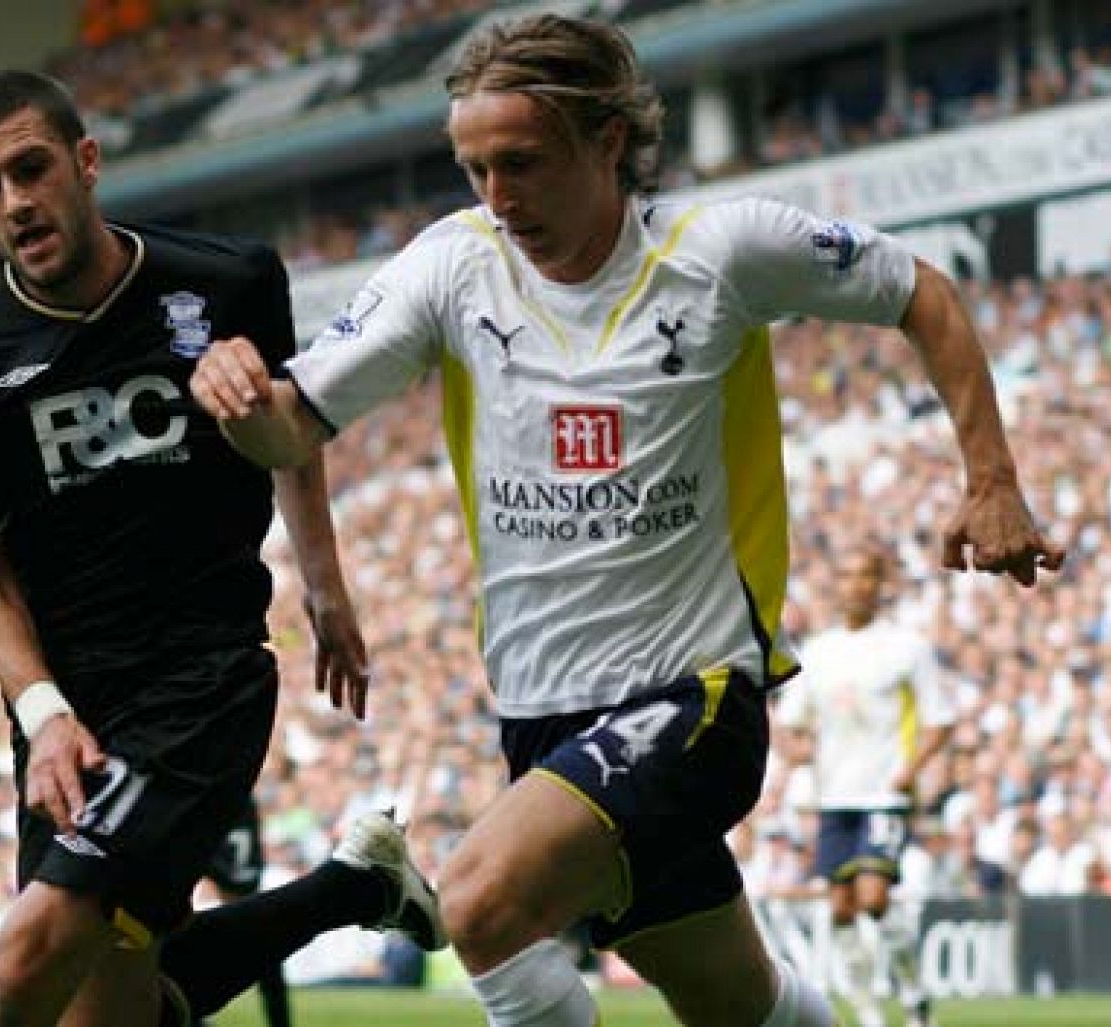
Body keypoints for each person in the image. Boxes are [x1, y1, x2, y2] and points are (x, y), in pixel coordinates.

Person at [188, 14, 1065, 1027]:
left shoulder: (720, 251)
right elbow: (290, 429)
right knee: (737, 1001)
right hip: (541, 714)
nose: (497, 197)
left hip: (692, 696)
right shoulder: (451, 267)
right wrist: (241, 400)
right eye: (474, 168)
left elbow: (923, 290)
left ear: (607, 140)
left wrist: (990, 477)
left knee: (478, 901)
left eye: (520, 162)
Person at [0, 70, 443, 1027]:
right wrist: (43, 715)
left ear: (86, 160)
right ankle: (356, 888)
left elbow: (292, 435)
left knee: (17, 972)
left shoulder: (225, 281)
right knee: (107, 1016)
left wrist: (323, 584)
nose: (14, 202)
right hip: (72, 711)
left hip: (200, 680)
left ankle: (355, 889)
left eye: (31, 169)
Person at [775, 546, 955, 1027]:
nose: (855, 585)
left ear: (881, 586)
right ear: (836, 585)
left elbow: (940, 722)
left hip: (884, 795)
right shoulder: (818, 651)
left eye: (866, 576)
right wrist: (795, 750)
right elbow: (793, 720)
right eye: (847, 575)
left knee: (874, 899)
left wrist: (910, 771)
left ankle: (915, 999)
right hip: (835, 796)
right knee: (840, 910)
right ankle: (869, 1013)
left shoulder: (906, 648)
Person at [197, 793, 292, 1027]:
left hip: (223, 894)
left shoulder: (211, 801)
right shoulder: (244, 801)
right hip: (242, 892)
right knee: (270, 969)